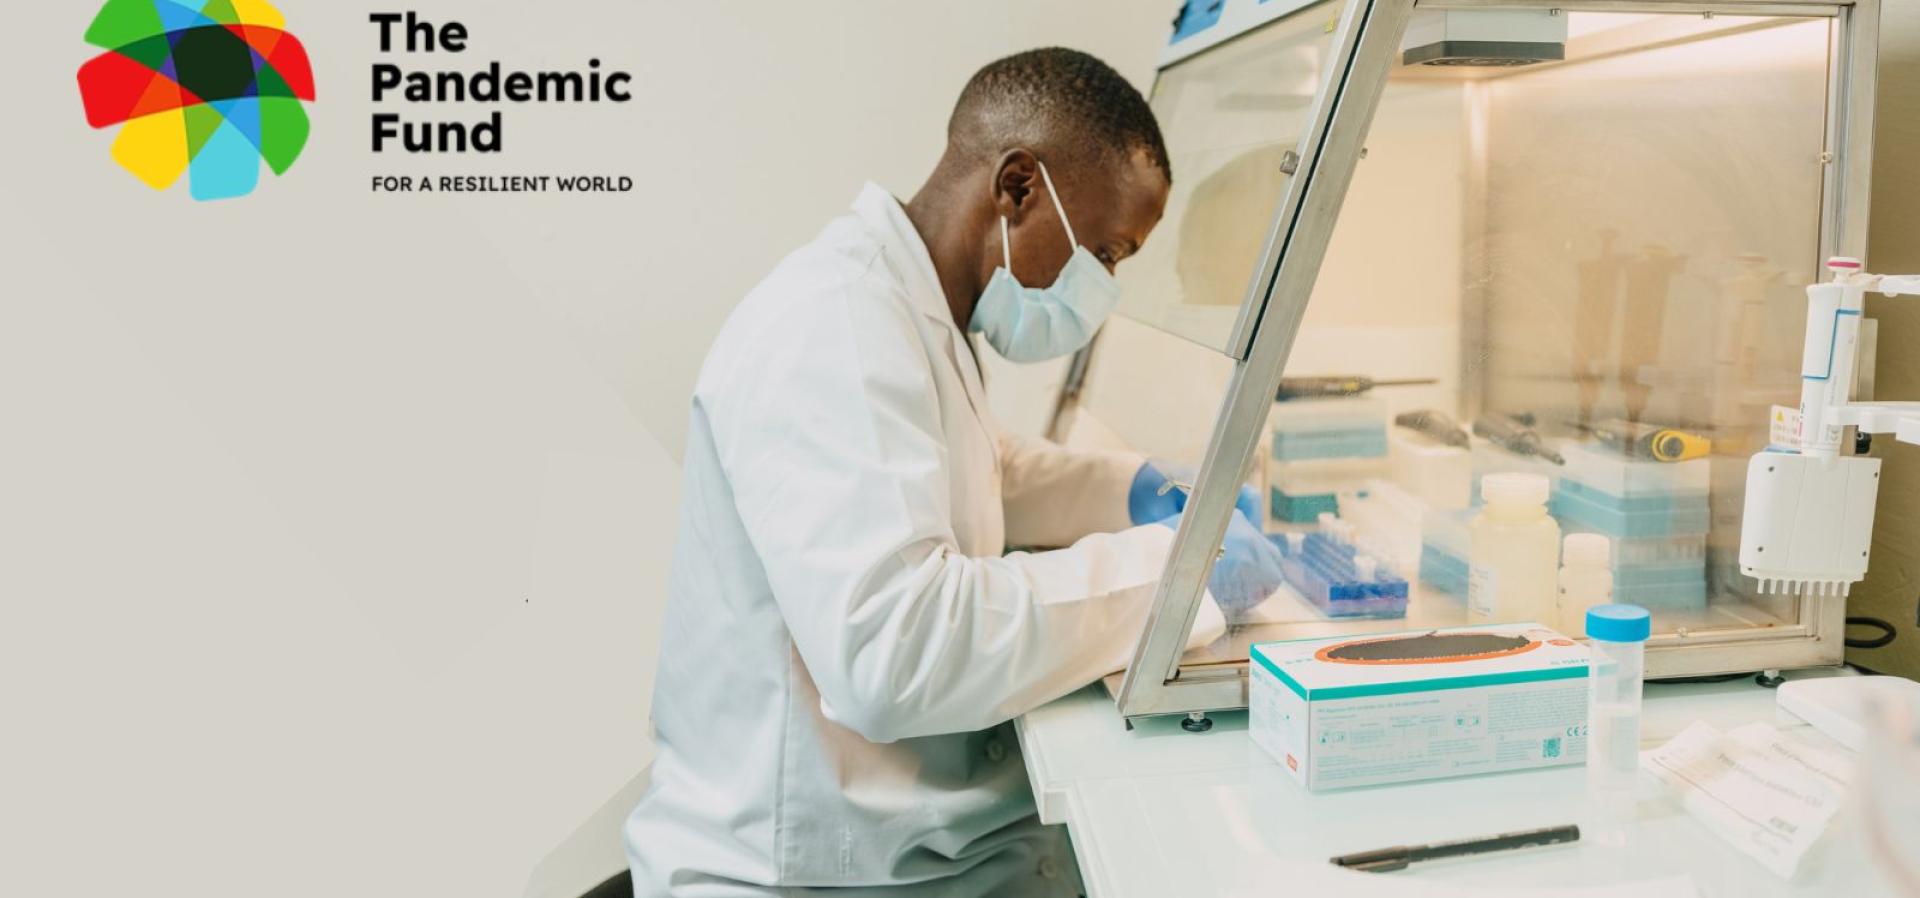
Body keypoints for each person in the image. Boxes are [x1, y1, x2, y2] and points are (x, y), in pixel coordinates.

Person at [626, 48, 1284, 896]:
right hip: (808, 874)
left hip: (886, 850)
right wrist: (1176, 573)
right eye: (1106, 255)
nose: (1103, 288)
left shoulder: (910, 308)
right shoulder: (835, 327)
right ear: (1017, 187)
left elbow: (982, 466)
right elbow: (897, 653)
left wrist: (1132, 485)